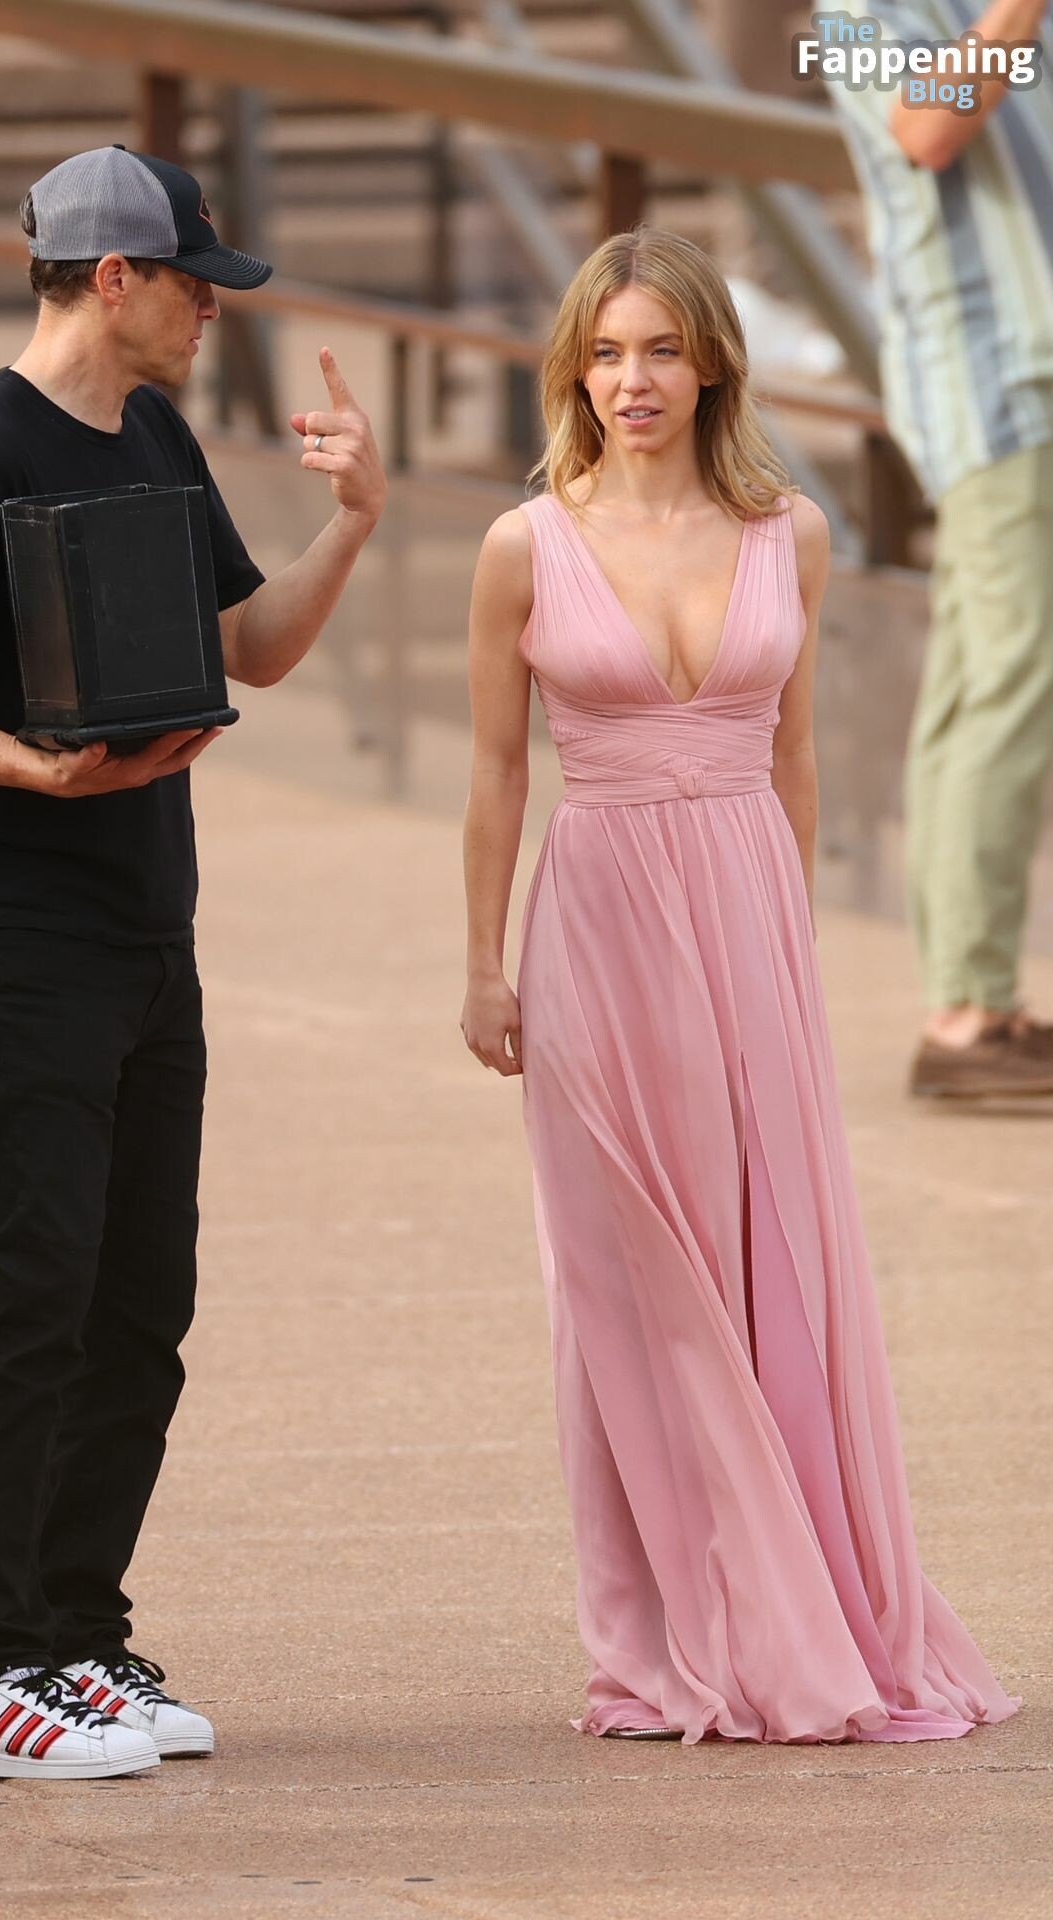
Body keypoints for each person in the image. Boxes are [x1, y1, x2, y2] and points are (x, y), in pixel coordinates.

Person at [0, 145, 387, 1778]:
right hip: (11, 937)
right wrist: (28, 770)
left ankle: (76, 1637)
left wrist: (354, 522)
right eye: (193, 281)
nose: (212, 308)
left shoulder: (151, 435)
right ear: (114, 279)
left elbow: (252, 651)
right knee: (34, 1298)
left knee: (138, 1306)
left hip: (149, 932)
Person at [460, 226, 1020, 1743]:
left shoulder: (792, 533)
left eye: (659, 349)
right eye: (603, 352)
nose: (630, 379)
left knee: (772, 1266)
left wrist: (797, 945)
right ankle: (666, 1635)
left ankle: (798, 1605)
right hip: (595, 924)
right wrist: (481, 965)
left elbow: (794, 758)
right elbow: (498, 772)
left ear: (710, 361)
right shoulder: (524, 545)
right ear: (574, 370)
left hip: (750, 920)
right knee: (633, 1271)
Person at [824, 0, 1053, 1099]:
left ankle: (972, 1000)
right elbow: (926, 125)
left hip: (1017, 375)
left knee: (976, 682)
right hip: (991, 382)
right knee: (1008, 676)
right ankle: (966, 1015)